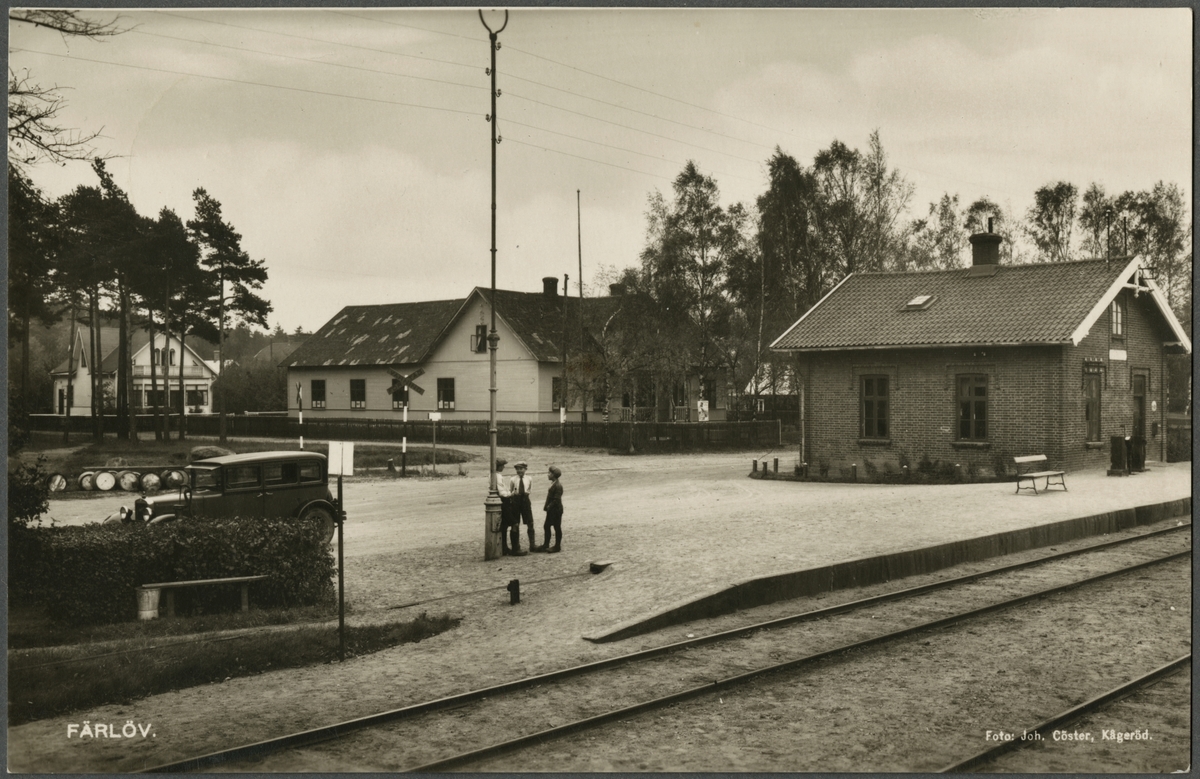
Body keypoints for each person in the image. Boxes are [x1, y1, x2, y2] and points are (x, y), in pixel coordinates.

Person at [508, 461, 536, 554]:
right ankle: (516, 548)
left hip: (525, 501)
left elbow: (530, 489)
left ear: (525, 469)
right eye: (517, 469)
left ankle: (532, 545)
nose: (519, 471)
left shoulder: (529, 478)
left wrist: (527, 494)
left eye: (521, 469)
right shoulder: (513, 479)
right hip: (516, 502)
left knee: (530, 522)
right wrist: (513, 494)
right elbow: (510, 491)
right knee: (515, 523)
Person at [495, 458, 520, 556]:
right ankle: (515, 549)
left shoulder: (497, 475)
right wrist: (511, 494)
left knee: (504, 525)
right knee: (514, 523)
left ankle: (504, 547)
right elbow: (502, 492)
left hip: (503, 501)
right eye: (502, 465)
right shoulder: (496, 476)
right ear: (498, 466)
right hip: (504, 501)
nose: (504, 467)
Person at [540, 465, 563, 553]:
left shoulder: (558, 486)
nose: (548, 474)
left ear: (553, 475)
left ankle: (557, 546)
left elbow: (556, 500)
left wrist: (548, 506)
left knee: (556, 527)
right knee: (548, 526)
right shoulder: (555, 484)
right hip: (553, 510)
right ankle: (546, 545)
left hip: (556, 510)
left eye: (549, 473)